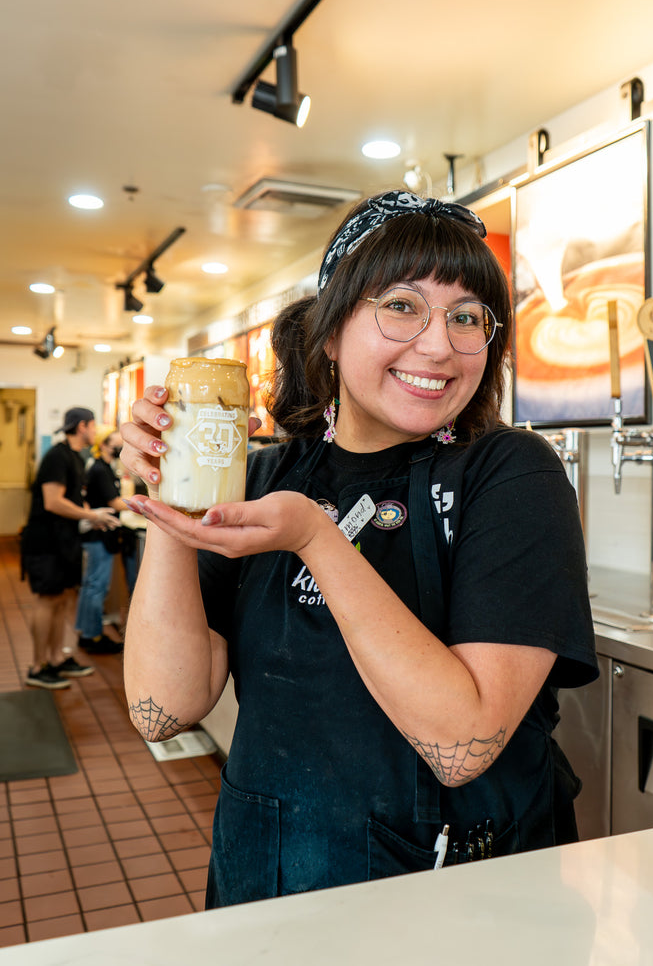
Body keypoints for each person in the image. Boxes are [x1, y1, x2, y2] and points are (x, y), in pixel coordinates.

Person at [120, 190, 598, 907]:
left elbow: (460, 743)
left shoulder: (510, 473)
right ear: (330, 332)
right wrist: (167, 496)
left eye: (467, 317)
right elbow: (163, 709)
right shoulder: (266, 479)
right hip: (264, 882)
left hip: (452, 908)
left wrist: (316, 538)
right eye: (401, 305)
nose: (438, 345)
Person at [21, 407, 120, 689]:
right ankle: (37, 666)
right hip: (45, 543)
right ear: (82, 426)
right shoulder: (57, 456)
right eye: (93, 425)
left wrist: (94, 518)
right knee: (47, 601)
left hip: (66, 542)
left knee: (62, 599)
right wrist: (92, 516)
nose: (96, 431)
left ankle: (55, 659)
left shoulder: (76, 458)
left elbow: (76, 500)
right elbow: (53, 501)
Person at [74, 426, 129, 654]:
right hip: (99, 535)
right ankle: (93, 635)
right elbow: (115, 503)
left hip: (97, 535)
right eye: (117, 444)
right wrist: (147, 503)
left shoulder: (104, 467)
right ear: (104, 444)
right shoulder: (100, 469)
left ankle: (86, 632)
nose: (121, 448)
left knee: (90, 585)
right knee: (96, 587)